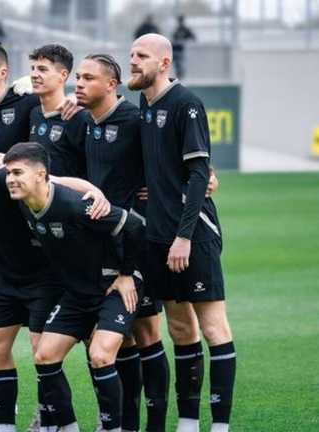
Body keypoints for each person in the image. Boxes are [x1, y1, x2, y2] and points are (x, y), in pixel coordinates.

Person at [0, 119, 110, 432]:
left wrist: (96, 193)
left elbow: (56, 182)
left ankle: (54, 423)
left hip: (43, 277)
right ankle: (5, 426)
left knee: (41, 351)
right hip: (7, 278)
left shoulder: (2, 176)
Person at [128, 34, 236, 432]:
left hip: (192, 235)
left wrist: (184, 236)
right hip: (157, 235)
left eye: (141, 55)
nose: (133, 61)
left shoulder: (186, 103)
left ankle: (220, 425)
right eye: (131, 54)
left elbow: (198, 173)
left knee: (213, 328)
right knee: (179, 329)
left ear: (164, 62)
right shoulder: (144, 103)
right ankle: (188, 421)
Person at [4, 142, 146, 432]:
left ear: (40, 175)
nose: (10, 179)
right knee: (44, 356)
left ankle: (114, 429)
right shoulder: (24, 201)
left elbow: (133, 225)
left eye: (17, 172)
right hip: (77, 293)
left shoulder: (74, 205)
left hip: (112, 285)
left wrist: (126, 274)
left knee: (100, 355)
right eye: (8, 173)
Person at [75, 53, 169, 432]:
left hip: (137, 244)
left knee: (146, 333)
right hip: (100, 247)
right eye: (77, 77)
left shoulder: (134, 120)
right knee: (118, 339)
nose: (79, 84)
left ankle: (155, 425)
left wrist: (204, 174)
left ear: (111, 85)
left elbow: (170, 153)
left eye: (87, 78)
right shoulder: (83, 121)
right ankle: (125, 424)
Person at [27, 44, 88, 178]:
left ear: (63, 75)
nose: (34, 75)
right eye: (32, 69)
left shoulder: (79, 117)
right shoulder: (34, 113)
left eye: (42, 69)